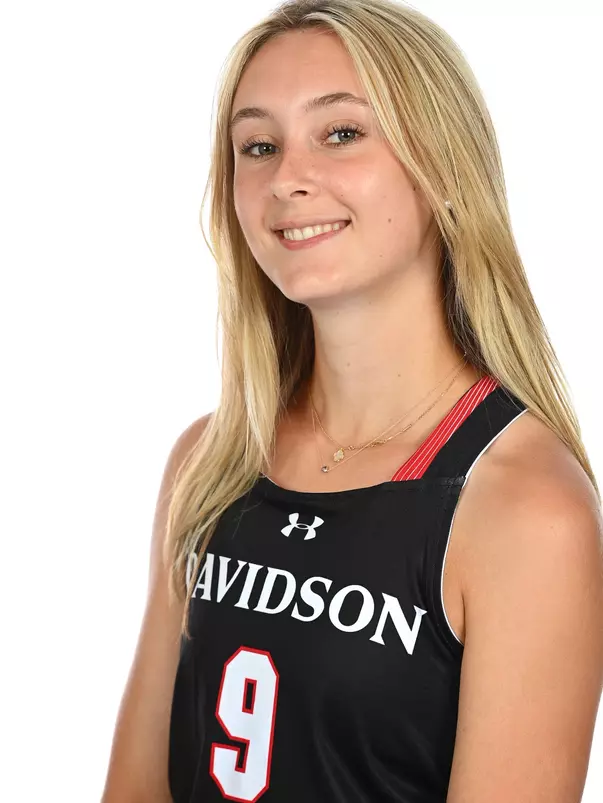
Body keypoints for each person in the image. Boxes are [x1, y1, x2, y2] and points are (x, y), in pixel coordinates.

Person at [101, 1, 603, 801]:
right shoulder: (208, 460)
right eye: (257, 146)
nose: (287, 179)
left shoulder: (525, 511)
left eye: (340, 133)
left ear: (441, 165)